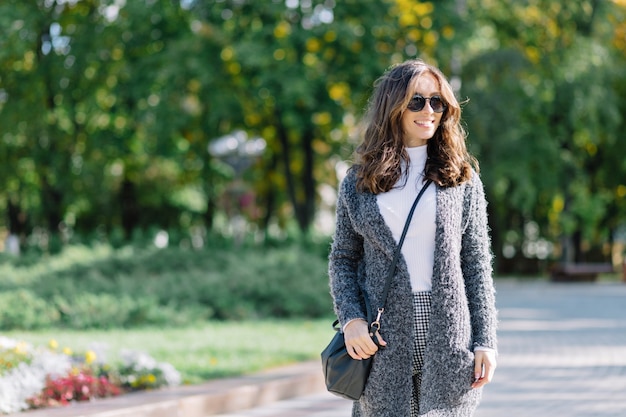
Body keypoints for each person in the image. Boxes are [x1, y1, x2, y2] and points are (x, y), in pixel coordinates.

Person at [328, 58, 498, 416]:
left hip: (449, 337)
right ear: (393, 107)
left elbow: (477, 264)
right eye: (417, 101)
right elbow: (343, 259)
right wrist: (351, 320)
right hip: (383, 339)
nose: (429, 110)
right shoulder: (359, 183)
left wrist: (486, 341)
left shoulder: (461, 179)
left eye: (437, 101)